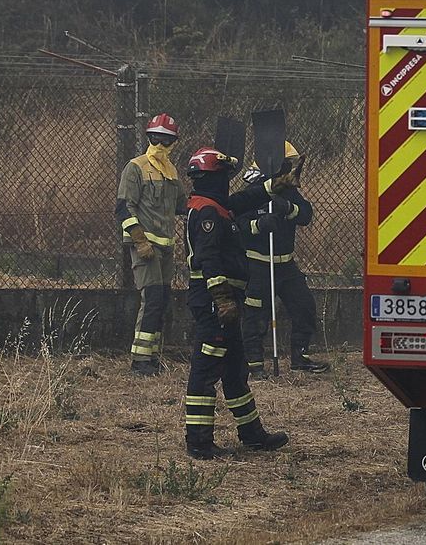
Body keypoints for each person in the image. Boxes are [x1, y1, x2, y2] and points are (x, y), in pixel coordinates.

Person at [181, 146, 291, 459]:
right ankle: (199, 442)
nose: (229, 182)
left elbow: (242, 201)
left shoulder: (215, 205)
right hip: (215, 302)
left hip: (226, 302)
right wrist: (222, 298)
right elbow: (208, 258)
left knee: (234, 368)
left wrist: (274, 185)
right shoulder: (207, 212)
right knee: (206, 368)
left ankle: (253, 435)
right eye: (225, 176)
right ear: (214, 177)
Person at [239, 141, 330, 378]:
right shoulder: (253, 190)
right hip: (258, 263)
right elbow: (236, 225)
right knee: (256, 315)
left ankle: (300, 357)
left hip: (285, 264)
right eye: (286, 163)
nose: (289, 168)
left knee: (304, 307)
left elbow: (306, 215)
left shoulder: (288, 190)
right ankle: (254, 364)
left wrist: (288, 207)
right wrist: (259, 225)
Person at [117, 113, 187, 376]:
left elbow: (181, 204)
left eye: (166, 139)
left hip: (166, 248)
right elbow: (124, 208)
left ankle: (152, 356)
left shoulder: (171, 170)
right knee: (153, 299)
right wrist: (139, 240)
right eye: (157, 138)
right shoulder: (135, 167)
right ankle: (140, 361)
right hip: (146, 247)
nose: (161, 143)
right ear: (149, 137)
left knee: (162, 300)